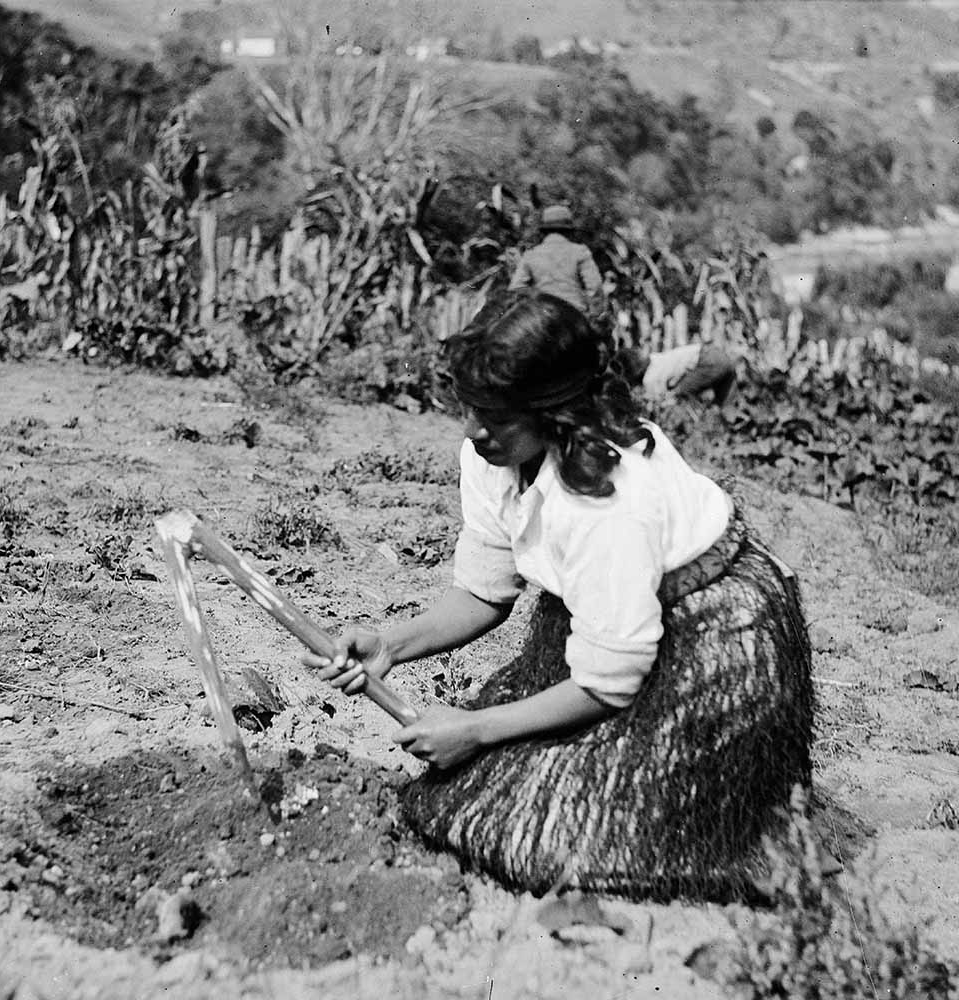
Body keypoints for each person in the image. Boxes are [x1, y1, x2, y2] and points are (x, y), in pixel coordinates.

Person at [306, 291, 812, 899]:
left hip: (713, 635)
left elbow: (609, 681)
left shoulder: (607, 499)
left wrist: (479, 727)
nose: (473, 431)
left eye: (494, 414)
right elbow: (483, 594)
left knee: (553, 841)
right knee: (470, 797)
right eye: (470, 408)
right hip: (605, 620)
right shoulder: (493, 453)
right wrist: (390, 644)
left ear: (555, 412)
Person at [508, 205, 605, 323]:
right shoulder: (580, 252)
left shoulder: (531, 255)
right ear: (568, 231)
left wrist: (538, 297)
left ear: (544, 232)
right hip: (574, 314)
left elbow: (516, 288)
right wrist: (594, 315)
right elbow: (595, 287)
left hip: (541, 315)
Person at [623, 340, 738, 407]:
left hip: (707, 361)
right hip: (717, 354)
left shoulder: (649, 378)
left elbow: (658, 402)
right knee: (726, 408)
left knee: (675, 397)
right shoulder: (656, 357)